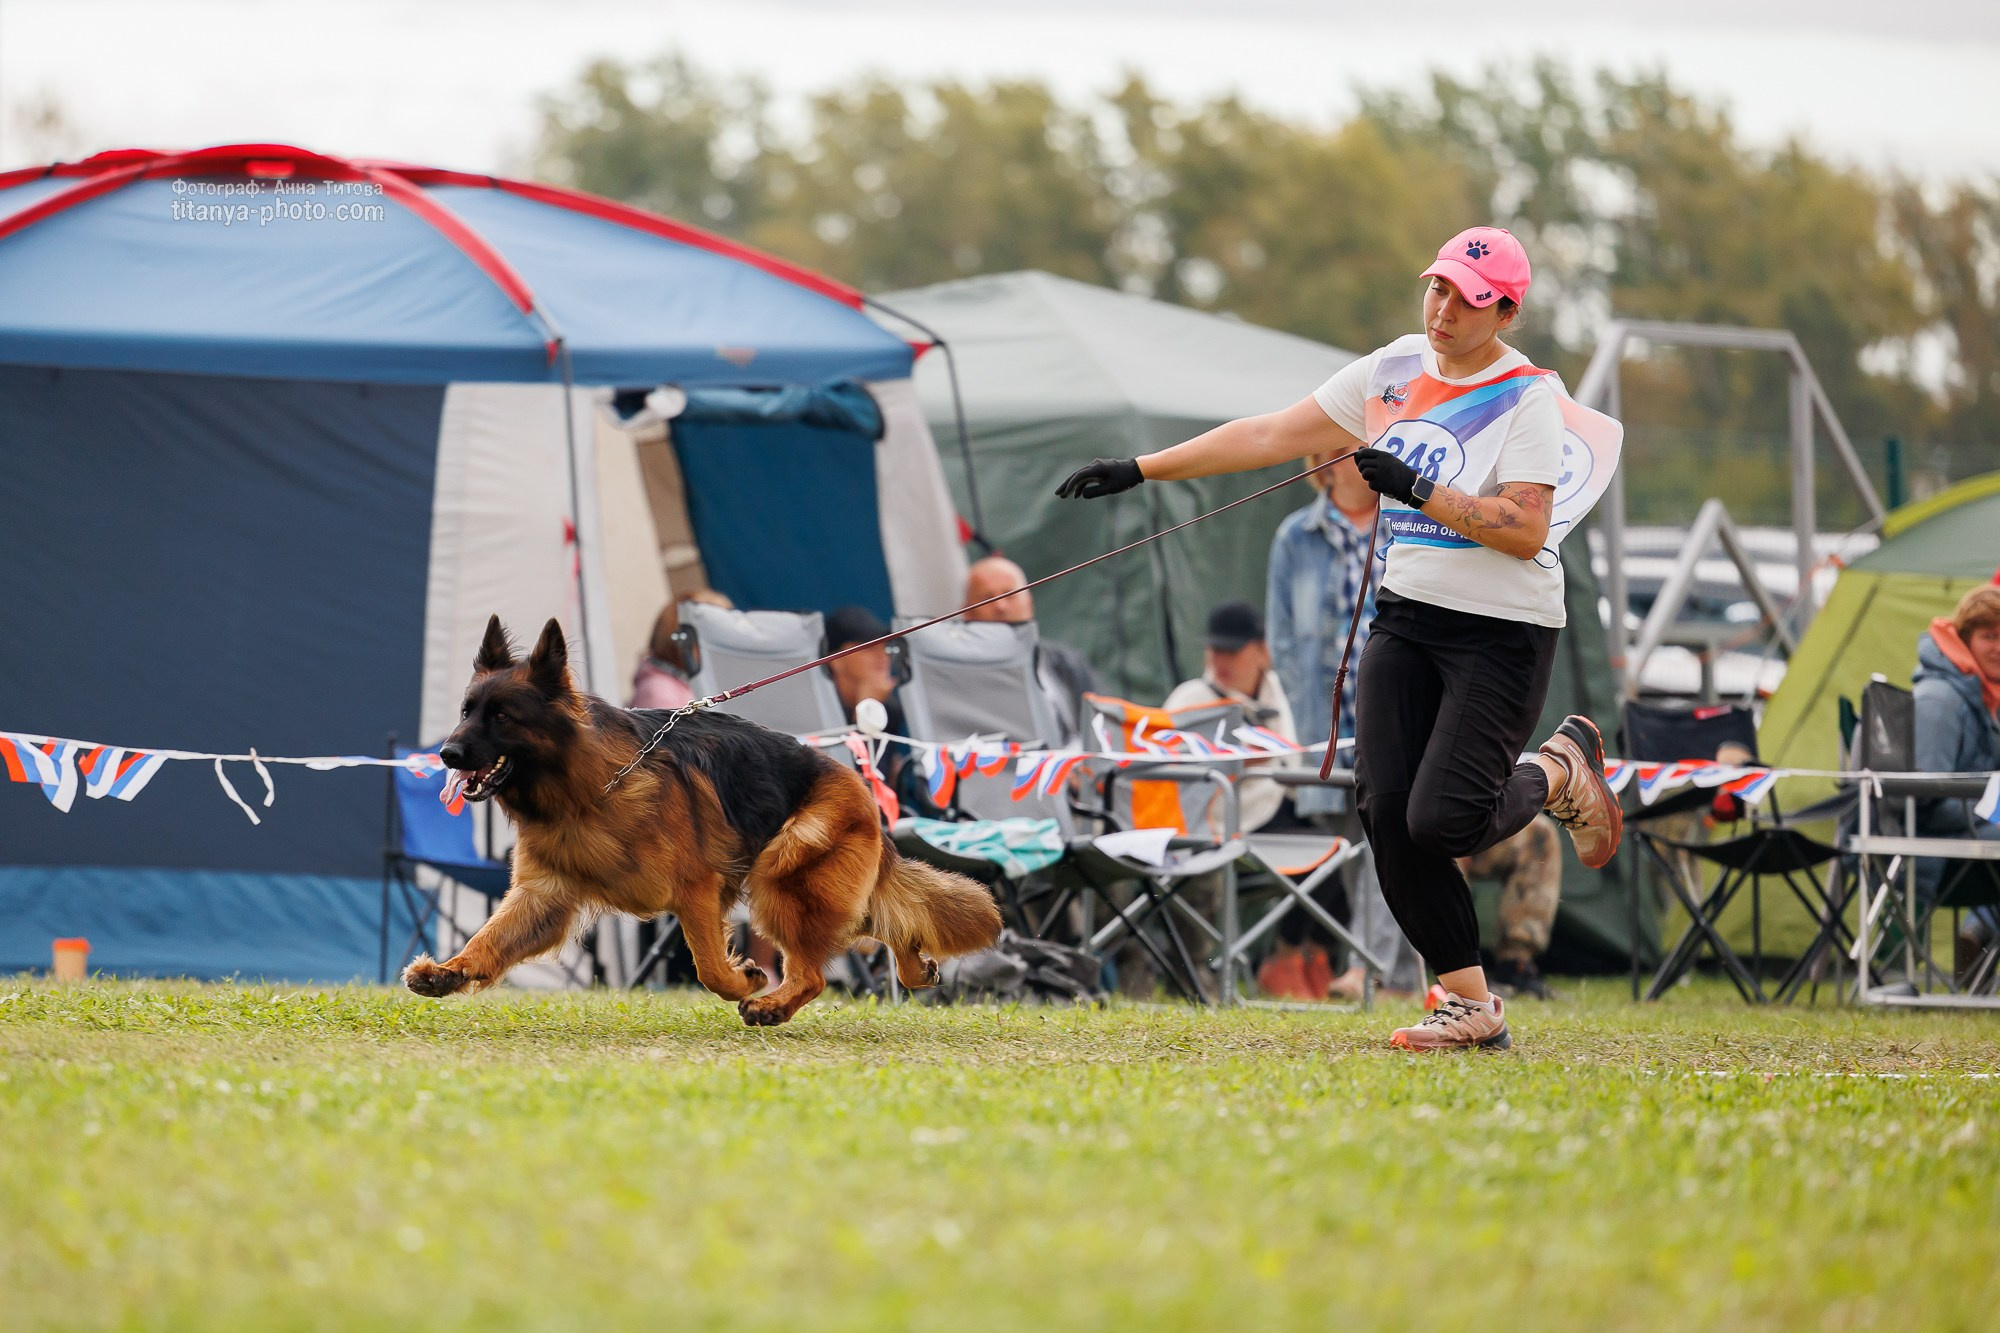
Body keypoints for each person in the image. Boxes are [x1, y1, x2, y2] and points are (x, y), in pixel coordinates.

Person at [1056, 225, 1622, 1051]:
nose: (1442, 310)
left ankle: (1559, 769)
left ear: (1504, 310)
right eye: (1435, 288)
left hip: (1502, 632)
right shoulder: (1390, 369)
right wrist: (1142, 468)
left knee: (1444, 820)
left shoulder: (1527, 395)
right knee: (1386, 812)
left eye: (1465, 299)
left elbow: (1528, 526)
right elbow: (1269, 434)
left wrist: (1419, 488)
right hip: (1404, 617)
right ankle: (1469, 1005)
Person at [1268, 451, 1422, 1000]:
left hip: (1397, 707)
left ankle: (1364, 967)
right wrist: (1305, 717)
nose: (1357, 463)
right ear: (1322, 465)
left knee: (1389, 836)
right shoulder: (1294, 537)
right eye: (1343, 453)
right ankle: (1399, 976)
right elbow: (1283, 642)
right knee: (1362, 850)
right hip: (1329, 719)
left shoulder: (1408, 521)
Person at [1912, 585, 2000, 980]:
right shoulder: (1940, 701)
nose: (1999, 647)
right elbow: (1925, 799)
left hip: (1973, 834)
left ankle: (1980, 928)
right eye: (1989, 636)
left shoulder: (1986, 699)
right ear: (1965, 640)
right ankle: (1980, 927)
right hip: (1933, 844)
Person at [962, 555, 1099, 747]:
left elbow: (1102, 724)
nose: (1000, 606)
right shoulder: (957, 675)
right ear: (966, 611)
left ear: (1029, 603)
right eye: (987, 598)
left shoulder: (1066, 663)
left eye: (1010, 595)